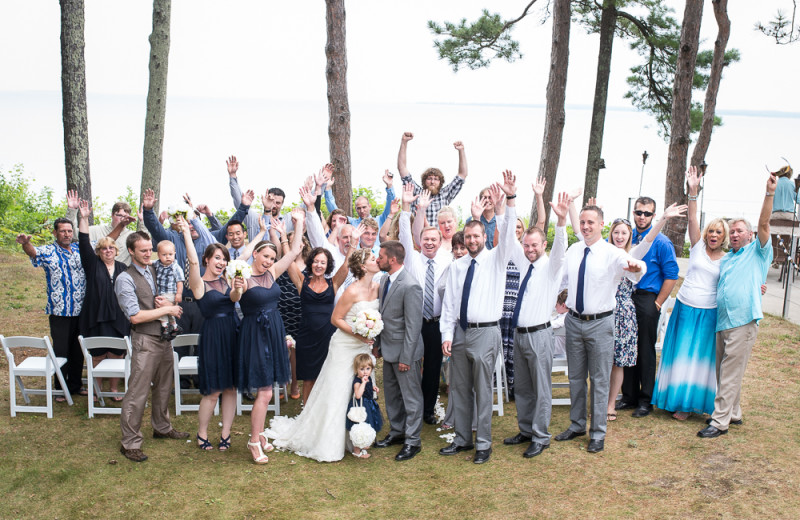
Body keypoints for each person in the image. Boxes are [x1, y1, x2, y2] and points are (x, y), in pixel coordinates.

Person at [264, 249, 382, 462]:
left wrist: (371, 332)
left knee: (359, 388)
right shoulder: (352, 291)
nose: (378, 260)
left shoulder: (378, 288)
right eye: (373, 258)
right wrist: (360, 333)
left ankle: (356, 437)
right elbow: (336, 318)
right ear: (363, 266)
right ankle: (329, 439)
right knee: (337, 389)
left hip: (363, 347)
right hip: (345, 344)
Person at [554, 204, 646, 454]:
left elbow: (631, 264)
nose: (585, 226)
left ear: (601, 225)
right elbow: (561, 279)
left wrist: (636, 266)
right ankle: (577, 425)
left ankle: (598, 433)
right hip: (573, 322)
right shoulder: (574, 250)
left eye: (590, 222)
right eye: (582, 222)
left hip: (601, 323)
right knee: (575, 377)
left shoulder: (611, 253)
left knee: (599, 379)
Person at [439, 172, 517, 465]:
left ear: (485, 237)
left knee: (483, 388)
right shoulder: (458, 266)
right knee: (458, 387)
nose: (472, 240)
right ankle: (461, 439)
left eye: (476, 236)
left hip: (485, 333)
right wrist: (447, 336)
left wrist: (508, 202)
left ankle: (483, 443)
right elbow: (449, 305)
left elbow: (508, 233)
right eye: (468, 236)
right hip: (459, 333)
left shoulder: (497, 259)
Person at [698, 173, 775, 438]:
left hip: (743, 322)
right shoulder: (728, 259)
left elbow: (765, 222)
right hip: (722, 321)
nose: (734, 233)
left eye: (739, 230)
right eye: (733, 230)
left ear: (750, 234)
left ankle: (719, 422)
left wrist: (769, 193)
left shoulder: (758, 251)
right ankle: (734, 412)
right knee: (725, 371)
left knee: (730, 372)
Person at [653, 167, 729, 420]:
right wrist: (693, 191)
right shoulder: (696, 246)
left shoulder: (728, 260)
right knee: (679, 354)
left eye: (718, 232)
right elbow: (693, 219)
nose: (713, 235)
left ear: (724, 237)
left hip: (708, 312)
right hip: (685, 308)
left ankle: (688, 405)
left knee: (698, 359)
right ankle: (672, 399)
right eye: (711, 231)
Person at [502, 191, 569, 459]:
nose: (530, 250)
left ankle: (541, 436)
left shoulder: (551, 268)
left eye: (534, 245)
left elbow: (561, 250)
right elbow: (508, 238)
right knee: (523, 387)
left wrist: (561, 221)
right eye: (527, 245)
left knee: (541, 388)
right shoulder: (522, 261)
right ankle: (526, 430)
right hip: (519, 335)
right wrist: (510, 201)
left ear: (544, 245)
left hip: (540, 335)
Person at [605, 204, 686, 422]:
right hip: (622, 299)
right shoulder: (620, 241)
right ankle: (628, 395)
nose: (642, 216)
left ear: (653, 215)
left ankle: (645, 399)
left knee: (644, 348)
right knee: (626, 349)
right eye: (639, 212)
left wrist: (658, 304)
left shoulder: (660, 242)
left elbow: (671, 275)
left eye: (647, 213)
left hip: (647, 299)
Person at [237, 208, 306, 464]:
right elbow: (234, 298)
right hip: (254, 335)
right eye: (265, 256)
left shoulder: (272, 273)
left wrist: (299, 222)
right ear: (255, 254)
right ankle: (254, 441)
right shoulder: (243, 277)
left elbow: (295, 251)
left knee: (270, 388)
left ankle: (260, 434)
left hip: (274, 330)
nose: (268, 260)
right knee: (265, 392)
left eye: (271, 257)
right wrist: (236, 289)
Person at [115, 230, 188, 462]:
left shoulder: (156, 268)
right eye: (143, 250)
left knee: (164, 387)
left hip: (164, 338)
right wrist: (167, 310)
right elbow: (135, 316)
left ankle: (162, 427)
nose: (148, 254)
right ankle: (130, 442)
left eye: (149, 249)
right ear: (131, 251)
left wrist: (169, 302)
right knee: (138, 392)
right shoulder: (124, 279)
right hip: (145, 340)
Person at [179, 217, 247, 451]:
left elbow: (235, 299)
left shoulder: (228, 280)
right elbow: (191, 260)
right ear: (207, 259)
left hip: (232, 333)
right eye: (217, 257)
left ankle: (226, 434)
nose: (221, 262)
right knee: (213, 389)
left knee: (230, 388)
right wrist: (186, 232)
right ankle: (202, 433)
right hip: (213, 337)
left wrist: (238, 288)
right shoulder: (199, 284)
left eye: (224, 258)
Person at [398, 183, 452, 425]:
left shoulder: (447, 262)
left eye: (434, 239)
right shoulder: (412, 260)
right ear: (419, 241)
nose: (430, 242)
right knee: (409, 366)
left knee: (432, 368)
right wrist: (408, 207)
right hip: (414, 322)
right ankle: (411, 408)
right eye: (426, 239)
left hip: (435, 324)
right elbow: (403, 234)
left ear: (440, 242)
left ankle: (428, 410)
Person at [17, 218, 86, 398]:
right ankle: (61, 388)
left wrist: (120, 225)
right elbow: (33, 253)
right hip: (60, 311)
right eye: (63, 231)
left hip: (81, 311)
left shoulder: (80, 249)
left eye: (69, 231)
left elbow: (105, 243)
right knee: (61, 350)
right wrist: (26, 244)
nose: (67, 234)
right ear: (55, 233)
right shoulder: (49, 251)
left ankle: (76, 385)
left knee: (78, 350)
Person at [373, 240, 424, 461]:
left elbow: (413, 326)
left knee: (411, 398)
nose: (377, 259)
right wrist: (377, 345)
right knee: (392, 395)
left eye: (381, 256)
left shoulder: (410, 285)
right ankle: (397, 432)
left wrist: (407, 356)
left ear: (393, 260)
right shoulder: (385, 279)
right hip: (388, 349)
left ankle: (413, 441)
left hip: (405, 353)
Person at [76, 199, 131, 399]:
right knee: (97, 354)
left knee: (117, 354)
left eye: (111, 248)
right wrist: (83, 218)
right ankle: (96, 389)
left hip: (117, 316)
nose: (108, 251)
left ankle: (114, 389)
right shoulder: (92, 265)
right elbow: (83, 241)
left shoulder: (123, 268)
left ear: (116, 251)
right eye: (104, 248)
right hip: (95, 316)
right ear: (98, 252)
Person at [287, 246, 350, 403]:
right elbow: (289, 262)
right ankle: (306, 413)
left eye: (323, 262)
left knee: (326, 376)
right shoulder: (302, 282)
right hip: (306, 337)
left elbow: (346, 266)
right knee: (308, 379)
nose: (319, 265)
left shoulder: (333, 283)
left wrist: (353, 244)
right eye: (316, 261)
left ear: (327, 265)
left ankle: (323, 412)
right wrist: (283, 239)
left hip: (327, 337)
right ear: (311, 263)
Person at [398, 132, 468, 225]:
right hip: (419, 237)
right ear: (424, 181)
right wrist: (404, 142)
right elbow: (402, 169)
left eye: (436, 179)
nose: (432, 182)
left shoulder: (445, 194)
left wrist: (461, 151)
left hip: (439, 237)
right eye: (429, 178)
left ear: (440, 182)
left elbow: (462, 174)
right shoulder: (417, 193)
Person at [226, 155, 293, 240]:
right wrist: (232, 176)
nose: (274, 205)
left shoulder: (286, 221)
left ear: (282, 204)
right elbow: (239, 202)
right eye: (271, 201)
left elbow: (307, 208)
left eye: (278, 203)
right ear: (265, 200)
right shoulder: (254, 218)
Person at [66, 190, 135, 265]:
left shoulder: (132, 236)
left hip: (122, 274)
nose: (122, 219)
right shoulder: (96, 230)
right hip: (98, 274)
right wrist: (72, 211)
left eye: (125, 216)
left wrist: (142, 221)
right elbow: (73, 234)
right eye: (119, 215)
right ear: (112, 215)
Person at [346, 354, 384, 459]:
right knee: (359, 427)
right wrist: (363, 383)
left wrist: (373, 387)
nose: (365, 372)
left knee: (367, 426)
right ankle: (357, 450)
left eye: (368, 368)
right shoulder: (357, 381)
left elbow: (368, 386)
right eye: (362, 369)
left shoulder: (368, 378)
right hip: (361, 406)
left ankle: (363, 447)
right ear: (356, 370)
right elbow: (358, 395)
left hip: (369, 405)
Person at [153, 241, 184, 340]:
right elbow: (150, 262)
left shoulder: (175, 267)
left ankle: (165, 327)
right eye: (164, 255)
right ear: (158, 255)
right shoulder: (158, 264)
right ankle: (174, 326)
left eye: (170, 254)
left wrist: (179, 294)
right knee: (169, 311)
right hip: (161, 292)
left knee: (161, 308)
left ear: (175, 254)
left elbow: (180, 281)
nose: (168, 257)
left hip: (170, 293)